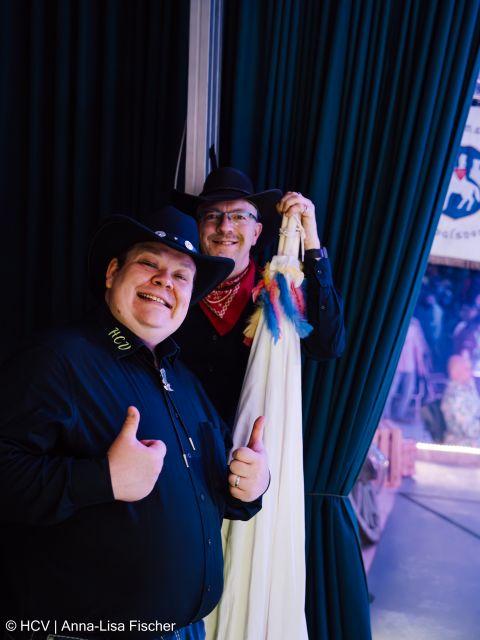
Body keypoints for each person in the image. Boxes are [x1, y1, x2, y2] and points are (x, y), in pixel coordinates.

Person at [0, 207, 270, 640]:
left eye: (181, 276)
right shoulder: (57, 360)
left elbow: (216, 488)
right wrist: (102, 479)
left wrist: (250, 486)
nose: (165, 281)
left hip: (187, 630)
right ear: (112, 273)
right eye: (149, 263)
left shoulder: (186, 382)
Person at [171, 167, 345, 426]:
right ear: (198, 229)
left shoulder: (280, 293)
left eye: (239, 216)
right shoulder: (172, 288)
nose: (225, 226)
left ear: (256, 232)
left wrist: (311, 242)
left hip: (254, 445)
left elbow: (327, 346)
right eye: (213, 215)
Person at [441, 354, 480, 447]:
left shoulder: (467, 387)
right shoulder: (454, 397)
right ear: (456, 373)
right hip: (464, 443)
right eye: (467, 369)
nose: (471, 372)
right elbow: (469, 430)